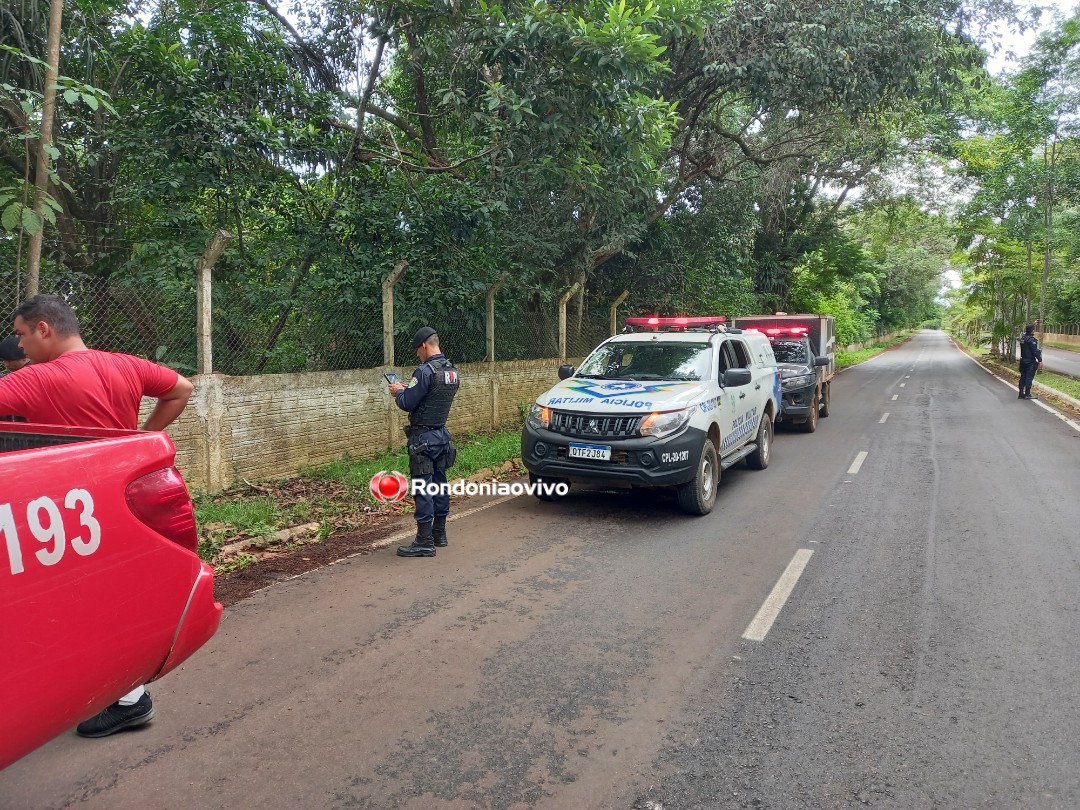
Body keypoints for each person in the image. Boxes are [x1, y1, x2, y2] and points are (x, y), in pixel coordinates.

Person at [0, 294, 194, 737]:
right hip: (124, 491)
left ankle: (127, 698)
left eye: (21, 335)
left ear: (43, 329)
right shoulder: (124, 364)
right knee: (118, 590)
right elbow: (182, 388)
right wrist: (139, 440)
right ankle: (121, 692)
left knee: (82, 597)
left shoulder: (40, 379)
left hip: (73, 503)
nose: (21, 346)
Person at [388, 326, 460, 557]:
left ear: (424, 346)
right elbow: (432, 397)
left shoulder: (424, 371)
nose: (417, 355)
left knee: (423, 488)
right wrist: (407, 390)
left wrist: (398, 392)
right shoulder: (451, 370)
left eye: (417, 351)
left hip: (423, 440)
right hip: (441, 436)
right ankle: (440, 534)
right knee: (440, 484)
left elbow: (408, 403)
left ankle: (424, 541)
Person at [1018, 322, 1043, 400]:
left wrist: (1034, 323)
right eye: (1034, 330)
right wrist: (1040, 360)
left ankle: (1021, 393)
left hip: (1023, 360)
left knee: (1023, 376)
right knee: (1029, 377)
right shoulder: (1031, 340)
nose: (1034, 331)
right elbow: (1034, 351)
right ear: (1032, 331)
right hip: (1030, 361)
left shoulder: (1023, 338)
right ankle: (1027, 393)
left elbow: (1028, 328)